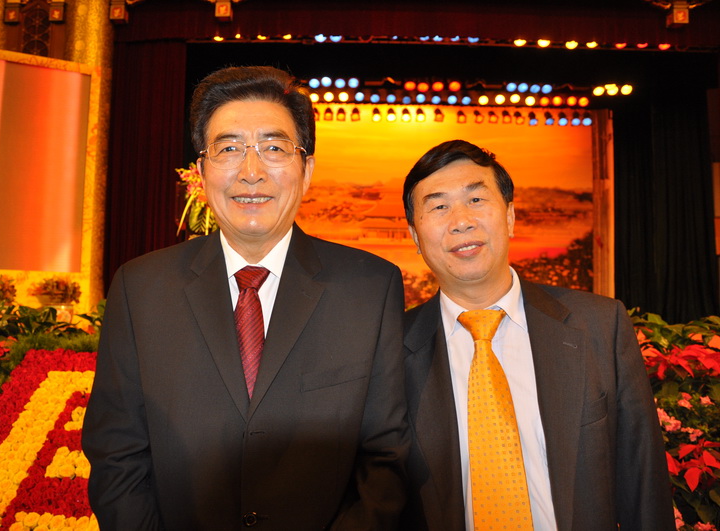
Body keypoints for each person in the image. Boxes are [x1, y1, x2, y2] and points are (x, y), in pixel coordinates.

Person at [82, 65, 409, 530]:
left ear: (306, 170)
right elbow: (117, 454)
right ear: (201, 171)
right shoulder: (141, 289)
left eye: (274, 148)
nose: (251, 172)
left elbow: (386, 458)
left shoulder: (369, 288)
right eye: (229, 149)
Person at [399, 139, 674, 531]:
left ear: (510, 216)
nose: (461, 220)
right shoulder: (391, 348)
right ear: (415, 235)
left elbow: (644, 483)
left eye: (476, 200)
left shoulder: (599, 325)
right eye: (439, 206)